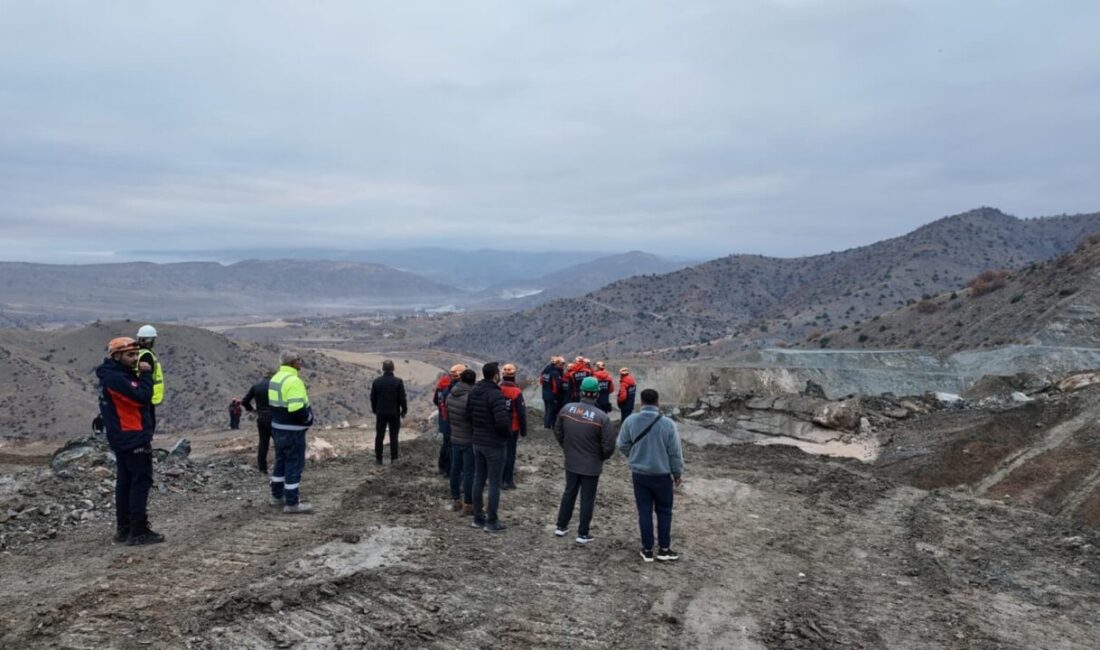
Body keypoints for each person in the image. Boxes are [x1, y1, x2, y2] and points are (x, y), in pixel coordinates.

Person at [96, 336, 162, 545]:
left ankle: (124, 530)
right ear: (117, 356)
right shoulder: (118, 379)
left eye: (136, 354)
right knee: (139, 482)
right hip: (132, 436)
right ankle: (138, 531)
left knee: (125, 483)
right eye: (130, 355)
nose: (135, 358)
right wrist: (146, 375)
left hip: (123, 436)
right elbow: (142, 396)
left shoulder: (114, 375)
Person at [617, 388, 683, 563]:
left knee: (644, 511)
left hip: (640, 475)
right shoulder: (668, 424)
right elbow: (675, 452)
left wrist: (634, 456)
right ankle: (664, 549)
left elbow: (622, 444)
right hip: (662, 476)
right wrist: (677, 473)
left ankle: (647, 550)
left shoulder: (630, 421)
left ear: (641, 402)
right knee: (664, 512)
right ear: (658, 402)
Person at [553, 376, 615, 544]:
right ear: (596, 394)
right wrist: (601, 457)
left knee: (569, 493)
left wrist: (567, 448)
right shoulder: (602, 417)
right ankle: (582, 533)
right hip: (592, 465)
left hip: (571, 460)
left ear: (581, 392)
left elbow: (558, 431)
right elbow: (609, 445)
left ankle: (561, 526)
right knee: (587, 498)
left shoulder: (567, 409)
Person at [268, 351, 315, 514]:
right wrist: (308, 418)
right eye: (298, 359)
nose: (300, 362)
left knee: (280, 462)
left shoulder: (275, 378)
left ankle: (276, 496)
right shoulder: (294, 381)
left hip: (278, 428)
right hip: (293, 432)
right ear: (292, 363)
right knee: (294, 465)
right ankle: (293, 503)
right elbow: (296, 409)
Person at [468, 362, 512, 532]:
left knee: (478, 478)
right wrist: (506, 435)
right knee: (494, 483)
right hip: (494, 443)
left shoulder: (474, 392)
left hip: (477, 440)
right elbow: (502, 421)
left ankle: (478, 518)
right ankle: (492, 521)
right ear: (495, 375)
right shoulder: (496, 394)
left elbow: (468, 414)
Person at [446, 368, 477, 514]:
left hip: (455, 437)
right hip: (469, 439)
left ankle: (456, 500)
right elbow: (474, 419)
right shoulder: (471, 398)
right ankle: (468, 504)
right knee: (469, 471)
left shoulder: (451, 395)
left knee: (455, 469)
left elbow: (448, 415)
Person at [369, 359, 408, 465]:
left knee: (379, 436)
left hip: (381, 412)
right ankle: (394, 459)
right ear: (393, 369)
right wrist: (404, 410)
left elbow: (372, 398)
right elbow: (402, 399)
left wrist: (375, 410)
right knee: (394, 436)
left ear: (383, 369)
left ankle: (378, 459)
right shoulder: (398, 382)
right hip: (394, 413)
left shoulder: (377, 382)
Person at [499, 363, 528, 490]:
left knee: (499, 453)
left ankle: (498, 478)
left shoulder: (497, 389)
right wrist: (524, 429)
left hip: (498, 427)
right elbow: (521, 413)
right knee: (510, 453)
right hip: (512, 428)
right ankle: (507, 480)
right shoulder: (516, 392)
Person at [433, 365, 465, 476]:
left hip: (444, 418)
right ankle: (448, 469)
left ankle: (442, 467)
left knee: (446, 444)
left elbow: (436, 400)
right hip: (452, 420)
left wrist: (442, 411)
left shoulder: (442, 383)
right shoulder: (454, 387)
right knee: (451, 446)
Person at [240, 375, 273, 473]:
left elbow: (244, 401)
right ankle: (281, 467)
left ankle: (262, 468)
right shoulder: (276, 385)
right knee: (279, 443)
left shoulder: (256, 386)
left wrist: (253, 411)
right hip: (275, 418)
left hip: (261, 417)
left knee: (263, 443)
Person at [135, 325, 164, 432]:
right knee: (148, 424)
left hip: (141, 393)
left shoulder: (136, 352)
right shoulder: (146, 355)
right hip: (147, 394)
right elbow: (146, 376)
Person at [540, 356, 565, 429]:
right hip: (552, 396)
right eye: (561, 364)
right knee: (552, 412)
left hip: (545, 393)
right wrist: (558, 396)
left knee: (547, 411)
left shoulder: (545, 370)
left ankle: (546, 426)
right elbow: (557, 386)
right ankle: (550, 427)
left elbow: (541, 381)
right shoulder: (555, 373)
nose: (562, 366)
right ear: (557, 363)